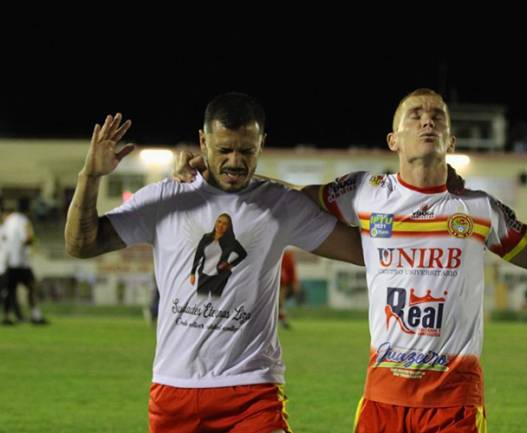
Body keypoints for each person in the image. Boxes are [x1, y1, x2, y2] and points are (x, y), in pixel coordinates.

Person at [173, 88, 527, 432]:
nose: (427, 119)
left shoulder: (478, 209)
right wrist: (212, 171)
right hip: (382, 399)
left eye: (437, 115)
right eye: (415, 114)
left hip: (453, 402)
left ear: (451, 141)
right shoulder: (365, 192)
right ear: (393, 140)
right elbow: (288, 200)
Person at [64, 92, 364, 433]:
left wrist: (407, 203)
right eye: (224, 150)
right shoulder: (167, 198)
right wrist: (90, 177)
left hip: (251, 390)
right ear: (203, 141)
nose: (235, 161)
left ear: (262, 143)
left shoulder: (280, 206)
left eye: (246, 151)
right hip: (173, 390)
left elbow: (361, 250)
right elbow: (81, 244)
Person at [3, 197, 47, 324]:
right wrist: (28, 247)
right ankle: (36, 316)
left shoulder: (8, 221)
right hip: (22, 264)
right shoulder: (23, 220)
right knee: (32, 288)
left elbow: (5, 238)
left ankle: (6, 317)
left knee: (10, 291)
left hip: (10, 263)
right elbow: (28, 237)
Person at [190, 213, 247, 297]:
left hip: (220, 278)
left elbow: (243, 254)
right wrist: (192, 273)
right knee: (201, 298)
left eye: (224, 224)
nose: (220, 225)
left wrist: (230, 265)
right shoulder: (206, 237)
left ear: (228, 226)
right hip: (203, 276)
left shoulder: (231, 241)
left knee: (215, 301)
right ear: (215, 222)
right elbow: (198, 255)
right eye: (219, 221)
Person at [278, 249, 300, 329]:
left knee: (279, 304)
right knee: (279, 304)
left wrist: (294, 282)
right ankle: (282, 320)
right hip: (278, 283)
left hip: (282, 283)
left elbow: (291, 270)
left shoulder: (287, 256)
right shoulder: (285, 255)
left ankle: (282, 320)